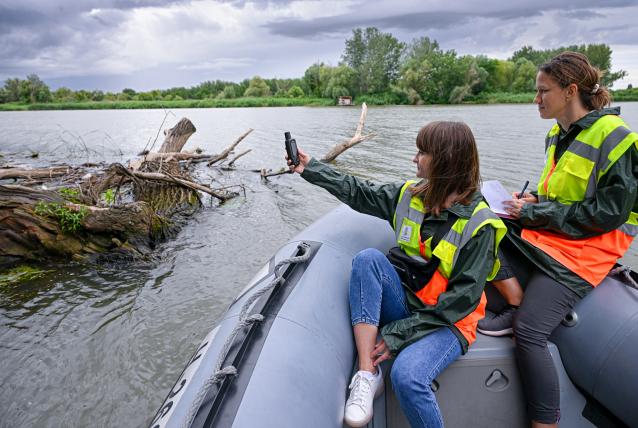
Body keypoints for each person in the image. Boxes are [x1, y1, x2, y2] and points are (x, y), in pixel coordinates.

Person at [287, 121, 506, 428]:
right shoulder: (408, 195)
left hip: (450, 321)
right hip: (409, 303)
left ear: (445, 159)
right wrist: (311, 168)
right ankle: (367, 373)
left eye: (422, 152)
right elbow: (358, 191)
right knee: (368, 260)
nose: (414, 159)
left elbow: (462, 300)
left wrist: (397, 334)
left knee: (406, 376)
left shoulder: (480, 225)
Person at [477, 51, 638, 427]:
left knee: (530, 331)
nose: (536, 99)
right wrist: (534, 201)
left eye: (542, 91)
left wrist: (532, 213)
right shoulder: (556, 134)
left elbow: (606, 215)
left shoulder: (618, 138)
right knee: (481, 227)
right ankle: (514, 299)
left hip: (590, 250)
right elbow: (564, 196)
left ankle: (544, 422)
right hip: (556, 236)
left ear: (570, 91)